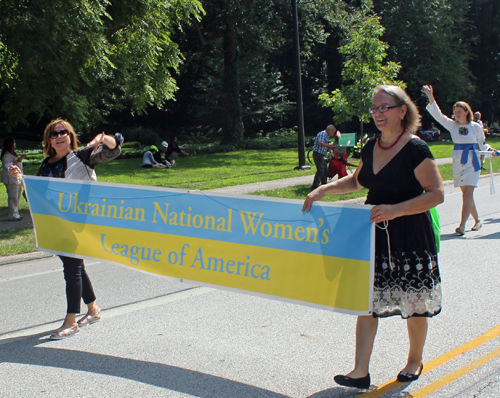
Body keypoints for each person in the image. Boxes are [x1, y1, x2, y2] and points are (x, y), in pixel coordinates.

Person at [303, 85, 444, 389]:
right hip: (374, 234)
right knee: (365, 299)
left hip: (410, 234)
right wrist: (324, 189)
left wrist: (397, 209)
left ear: (402, 110)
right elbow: (357, 180)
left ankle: (414, 360)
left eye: (385, 107)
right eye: (374, 108)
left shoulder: (416, 148)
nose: (378, 113)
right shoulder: (371, 145)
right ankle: (360, 371)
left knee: (414, 300)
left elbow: (436, 194)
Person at [9, 119, 123, 340]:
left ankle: (70, 321)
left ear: (70, 136)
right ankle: (93, 309)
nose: (59, 136)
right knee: (75, 265)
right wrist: (21, 180)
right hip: (56, 223)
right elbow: (35, 195)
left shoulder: (82, 157)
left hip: (79, 221)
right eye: (54, 134)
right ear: (48, 140)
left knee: (71, 269)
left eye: (64, 132)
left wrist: (101, 138)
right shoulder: (47, 164)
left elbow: (114, 148)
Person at [422, 85, 497, 235]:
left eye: (459, 111)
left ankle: (462, 225)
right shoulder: (452, 125)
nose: (456, 114)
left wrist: (491, 151)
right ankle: (477, 221)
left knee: (467, 194)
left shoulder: (475, 127)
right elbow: (439, 115)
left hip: (472, 162)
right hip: (458, 162)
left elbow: (483, 144)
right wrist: (431, 97)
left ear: (466, 112)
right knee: (466, 194)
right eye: (455, 112)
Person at [1, 138, 27, 221]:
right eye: (14, 142)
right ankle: (13, 215)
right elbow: (8, 165)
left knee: (17, 196)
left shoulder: (12, 153)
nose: (15, 143)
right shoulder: (6, 154)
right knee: (13, 197)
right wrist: (20, 159)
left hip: (16, 178)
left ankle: (16, 213)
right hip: (10, 179)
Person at [311, 124, 340, 190]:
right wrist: (328, 146)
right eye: (333, 132)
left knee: (325, 170)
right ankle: (315, 186)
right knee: (321, 170)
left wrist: (331, 146)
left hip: (322, 154)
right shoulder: (322, 134)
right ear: (330, 130)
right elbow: (320, 143)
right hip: (318, 154)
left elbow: (326, 144)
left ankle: (324, 184)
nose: (333, 134)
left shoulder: (326, 136)